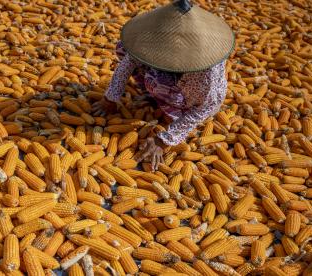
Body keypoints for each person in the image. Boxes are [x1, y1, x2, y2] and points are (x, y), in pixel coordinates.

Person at [91, 0, 235, 171]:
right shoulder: (154, 38)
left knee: (157, 81)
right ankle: (158, 96)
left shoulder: (204, 75)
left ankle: (171, 106)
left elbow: (205, 107)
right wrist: (111, 97)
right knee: (125, 48)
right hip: (180, 81)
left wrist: (165, 139)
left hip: (196, 97)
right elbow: (129, 61)